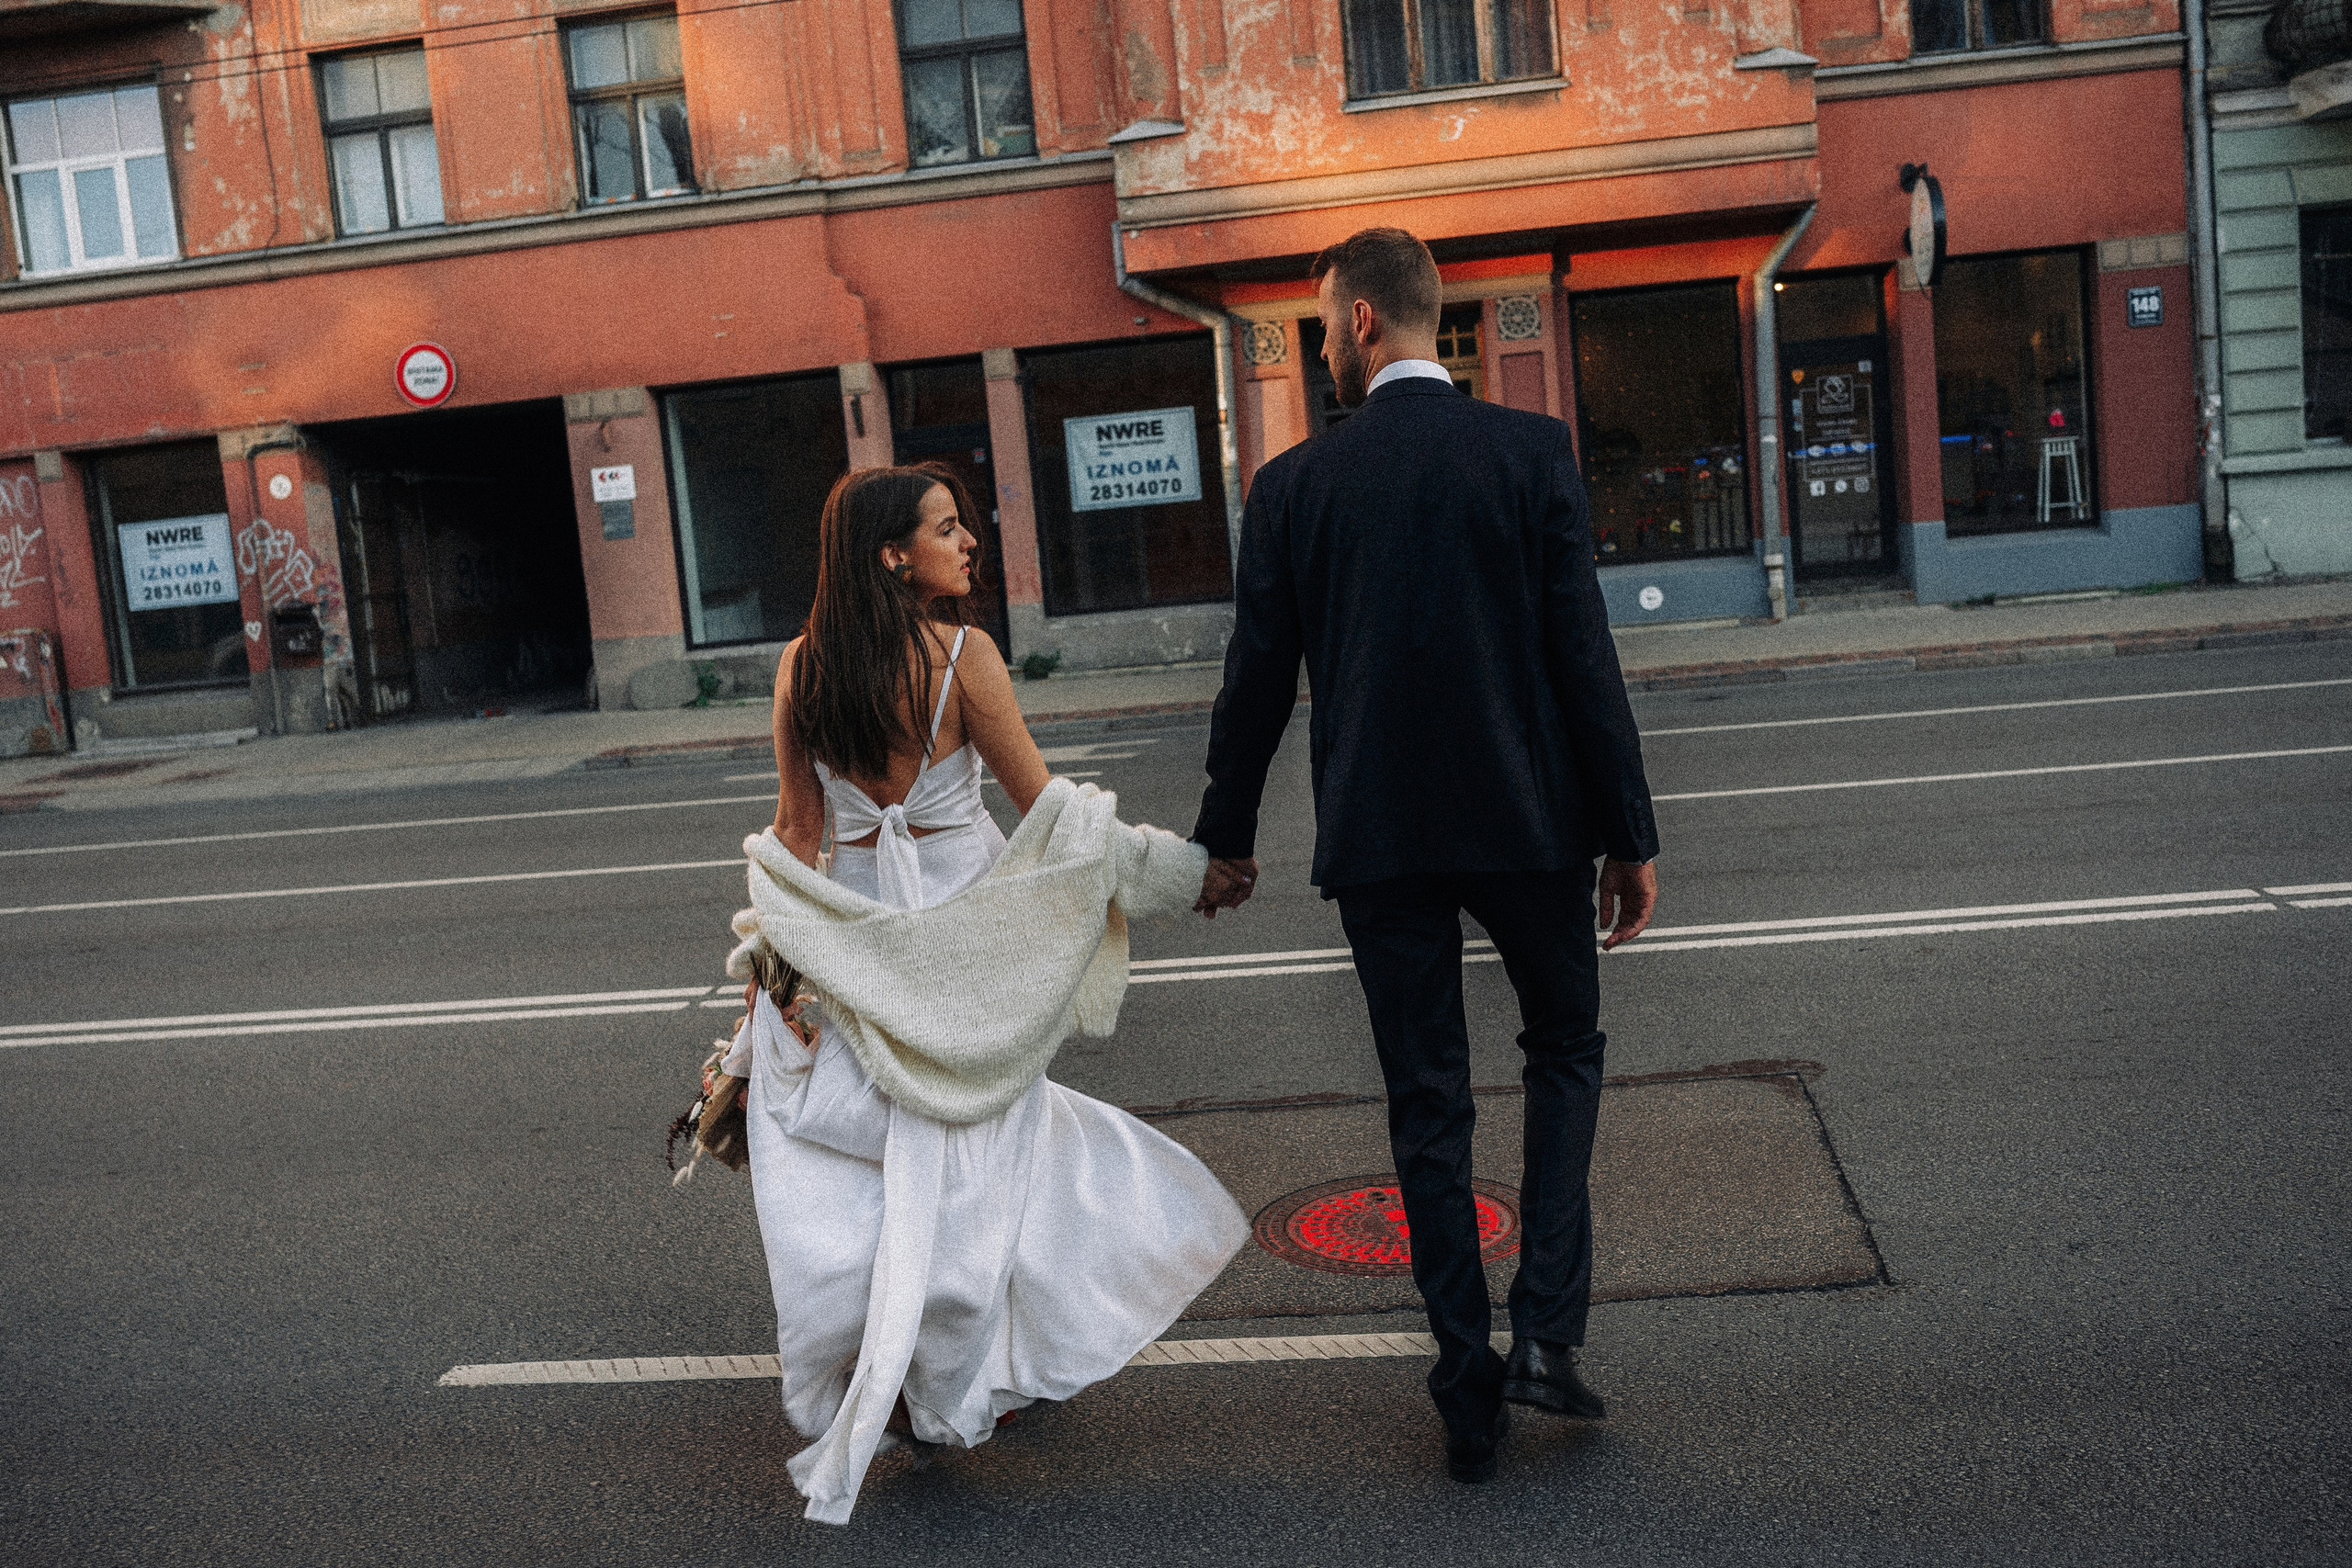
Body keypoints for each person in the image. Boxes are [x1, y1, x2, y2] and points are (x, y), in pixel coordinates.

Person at [1190, 228, 1660, 1484]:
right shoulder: (1528, 453)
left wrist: (1223, 838)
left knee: (1427, 1101)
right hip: (1531, 823)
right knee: (1564, 1045)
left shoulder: (1291, 488)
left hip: (1384, 840)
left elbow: (1256, 688)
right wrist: (1627, 831)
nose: (1324, 350)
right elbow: (1582, 658)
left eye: (1321, 328)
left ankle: (1468, 1391)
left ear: (1356, 323)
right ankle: (1548, 1333)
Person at [721, 462, 1246, 1524]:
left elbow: (797, 839)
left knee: (883, 1172)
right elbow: (1052, 819)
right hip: (967, 951)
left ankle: (910, 1374)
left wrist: (770, 973)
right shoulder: (966, 659)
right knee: (979, 1164)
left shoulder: (800, 669)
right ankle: (957, 1374)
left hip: (860, 950)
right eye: (947, 529)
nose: (969, 544)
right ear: (890, 554)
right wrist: (1187, 876)